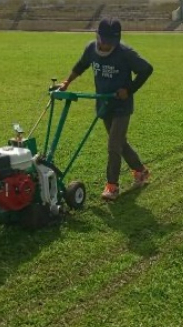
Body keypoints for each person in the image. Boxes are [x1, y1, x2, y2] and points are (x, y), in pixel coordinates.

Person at [59, 17, 153, 201]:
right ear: (97, 36)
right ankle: (141, 171)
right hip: (103, 103)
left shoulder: (125, 53)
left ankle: (112, 186)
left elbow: (146, 69)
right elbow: (81, 66)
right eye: (104, 41)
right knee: (119, 143)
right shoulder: (90, 49)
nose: (107, 46)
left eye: (111, 42)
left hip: (121, 106)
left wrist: (129, 90)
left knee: (113, 146)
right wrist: (66, 82)